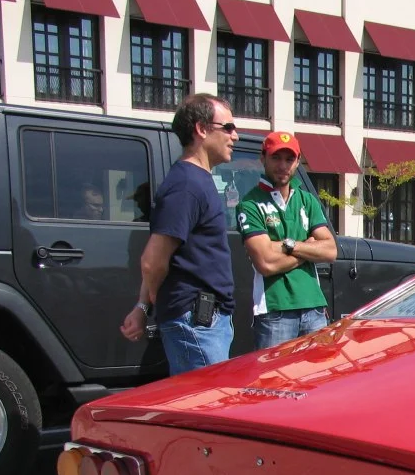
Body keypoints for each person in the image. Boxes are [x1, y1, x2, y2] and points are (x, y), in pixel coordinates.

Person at [119, 93, 239, 374]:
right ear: (201, 129)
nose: (235, 136)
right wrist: (143, 305)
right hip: (197, 323)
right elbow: (152, 261)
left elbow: (160, 261)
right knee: (206, 410)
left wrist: (141, 306)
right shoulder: (186, 185)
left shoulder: (197, 180)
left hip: (204, 321)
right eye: (228, 128)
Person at [235, 131, 337, 349]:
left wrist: (286, 246)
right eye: (276, 158)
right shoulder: (250, 204)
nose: (283, 165)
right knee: (275, 381)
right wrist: (308, 248)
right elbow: (266, 263)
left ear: (298, 162)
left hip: (315, 307)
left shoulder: (307, 199)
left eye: (289, 159)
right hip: (275, 310)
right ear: (263, 158)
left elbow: (330, 251)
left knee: (317, 379)